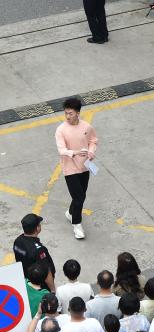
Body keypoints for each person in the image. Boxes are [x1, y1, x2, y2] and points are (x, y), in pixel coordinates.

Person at [55, 97, 98, 240]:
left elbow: (93, 141)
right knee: (79, 197)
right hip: (70, 168)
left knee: (81, 195)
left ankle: (70, 212)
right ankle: (77, 225)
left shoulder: (86, 127)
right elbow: (61, 150)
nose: (67, 116)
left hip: (85, 167)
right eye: (66, 113)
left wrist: (91, 152)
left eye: (70, 113)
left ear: (78, 113)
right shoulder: (61, 130)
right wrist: (74, 153)